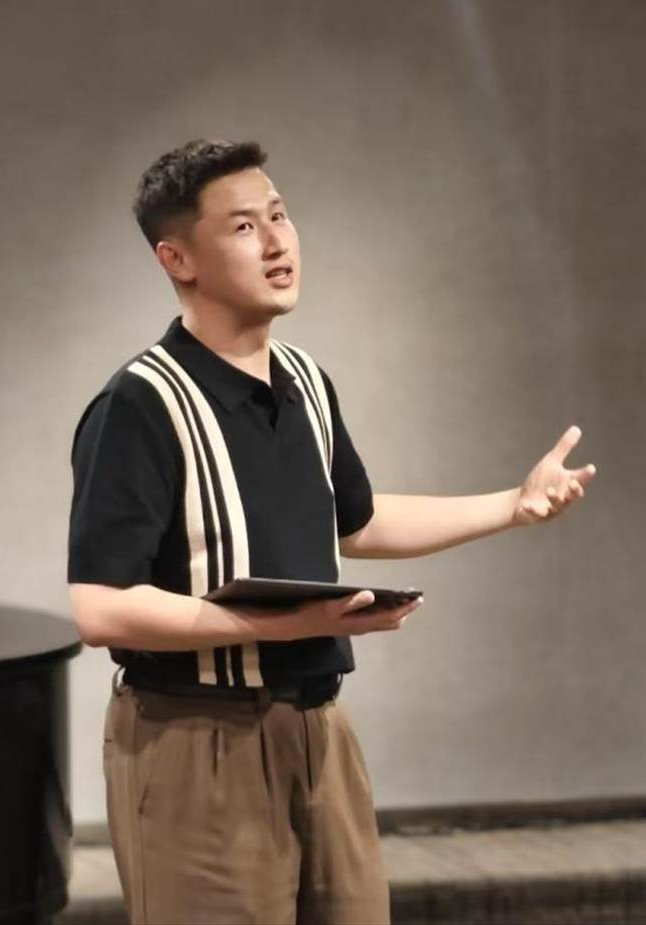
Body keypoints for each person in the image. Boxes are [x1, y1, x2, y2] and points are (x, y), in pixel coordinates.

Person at [66, 138, 596, 925]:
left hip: (320, 727)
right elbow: (102, 607)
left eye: (279, 215)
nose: (277, 242)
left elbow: (359, 518)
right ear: (178, 258)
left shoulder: (306, 380)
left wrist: (511, 505)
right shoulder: (141, 403)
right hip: (194, 739)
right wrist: (282, 624)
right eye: (243, 227)